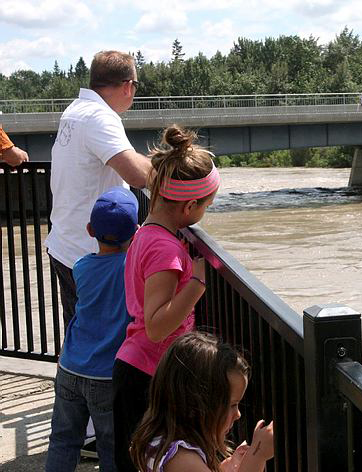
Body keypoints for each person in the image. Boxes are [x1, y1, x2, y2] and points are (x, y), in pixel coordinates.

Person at [112, 125, 220, 472]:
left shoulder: (148, 233)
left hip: (140, 369)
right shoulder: (164, 249)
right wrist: (198, 282)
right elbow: (157, 326)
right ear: (189, 205)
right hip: (147, 376)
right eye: (206, 205)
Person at [45, 50, 152, 332]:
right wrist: (166, 167)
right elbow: (139, 175)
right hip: (91, 253)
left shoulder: (76, 110)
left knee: (78, 335)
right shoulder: (100, 117)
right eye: (136, 86)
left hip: (65, 244)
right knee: (105, 342)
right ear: (128, 85)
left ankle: (70, 376)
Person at [45, 187, 139, 472]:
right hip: (105, 376)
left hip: (70, 367)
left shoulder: (81, 267)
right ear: (136, 231)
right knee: (111, 447)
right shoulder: (132, 268)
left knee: (63, 440)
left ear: (89, 229)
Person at [129, 331, 274, 472]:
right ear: (196, 405)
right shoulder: (183, 460)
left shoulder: (161, 439)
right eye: (232, 405)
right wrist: (258, 455)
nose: (238, 414)